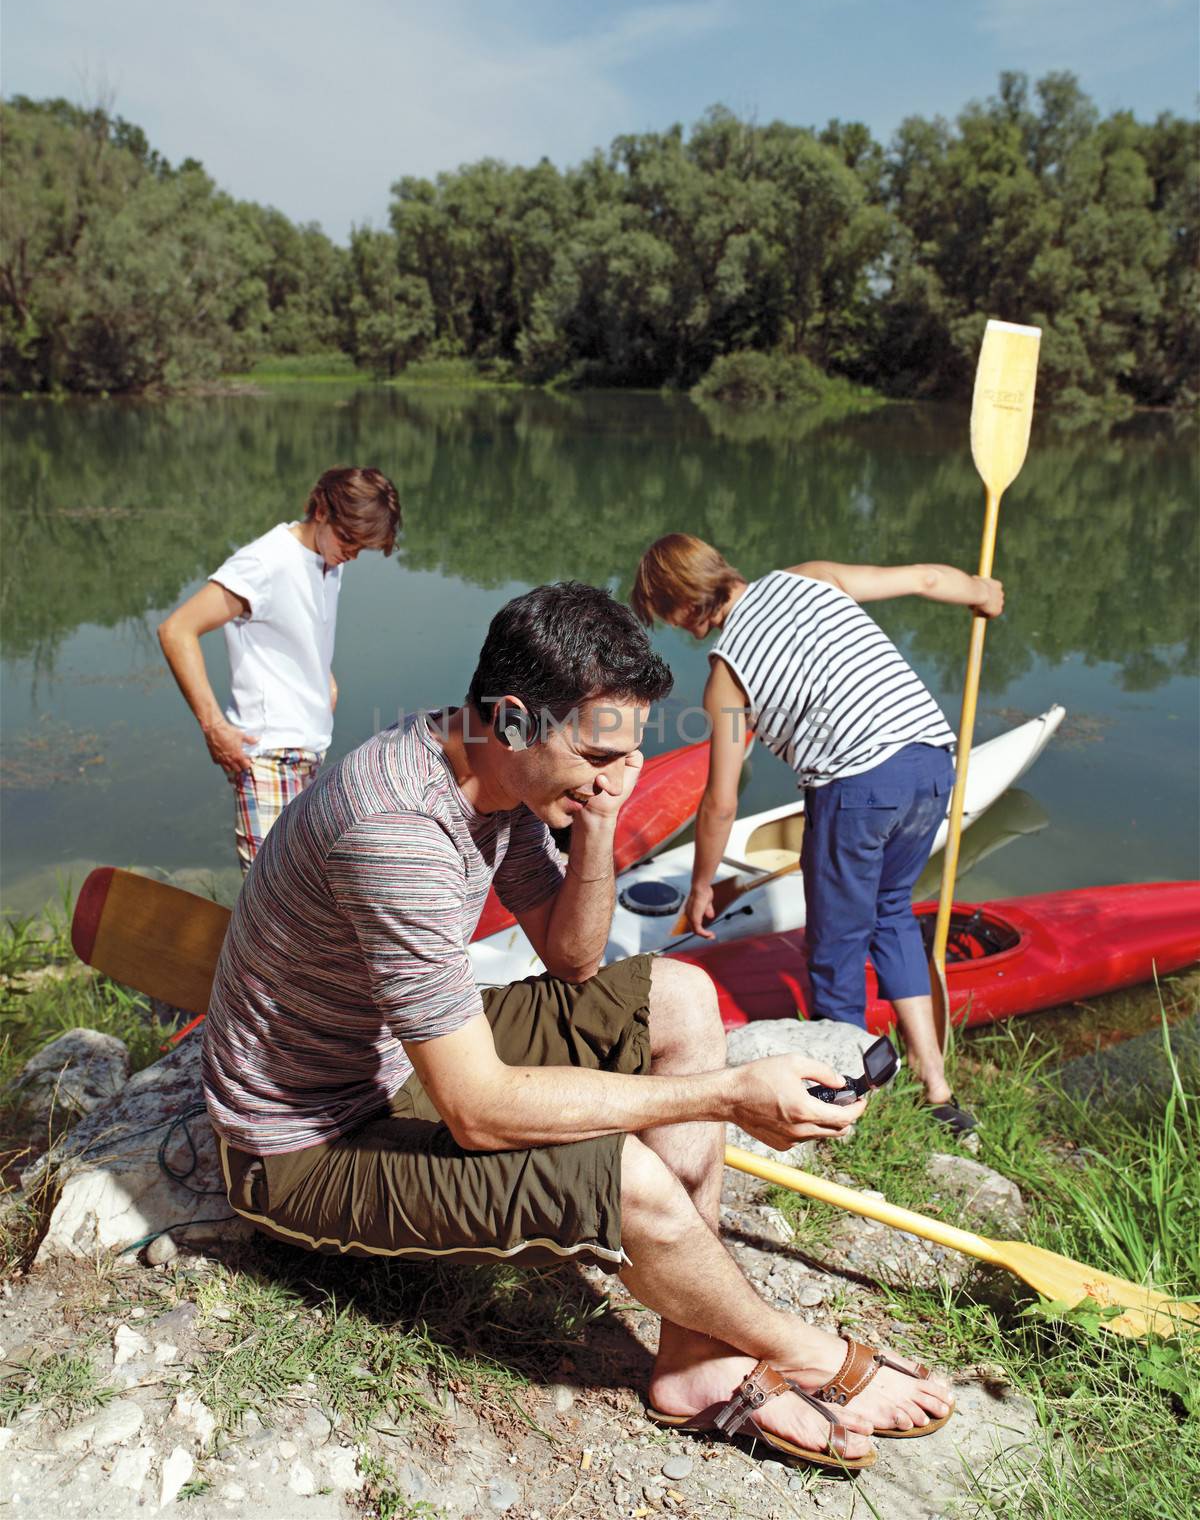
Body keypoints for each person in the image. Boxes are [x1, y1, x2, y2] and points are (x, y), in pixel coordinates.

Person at [201, 581, 955, 1469]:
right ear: (516, 718)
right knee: (628, 1175)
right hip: (303, 1148)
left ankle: (691, 1357)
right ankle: (798, 1348)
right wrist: (721, 1096)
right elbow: (479, 1109)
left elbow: (572, 960)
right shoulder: (397, 829)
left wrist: (596, 824)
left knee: (679, 995)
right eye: (598, 753)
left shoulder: (481, 764)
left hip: (391, 1059)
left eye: (628, 756)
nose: (614, 774)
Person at [631, 534, 1005, 1134]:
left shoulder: (726, 679)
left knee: (835, 945)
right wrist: (982, 593)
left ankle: (846, 1102)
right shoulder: (811, 575)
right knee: (892, 912)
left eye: (663, 613)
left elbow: (720, 800)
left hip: (855, 786)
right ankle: (937, 1087)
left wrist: (702, 884)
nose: (671, 626)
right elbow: (928, 580)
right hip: (931, 763)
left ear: (680, 603)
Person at [158, 467, 401, 874]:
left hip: (309, 755)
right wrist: (215, 727)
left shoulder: (328, 562)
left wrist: (324, 681)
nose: (352, 554)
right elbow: (177, 630)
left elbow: (298, 629)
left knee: (308, 899)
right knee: (273, 902)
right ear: (321, 509)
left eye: (362, 548)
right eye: (349, 540)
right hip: (267, 758)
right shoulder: (266, 561)